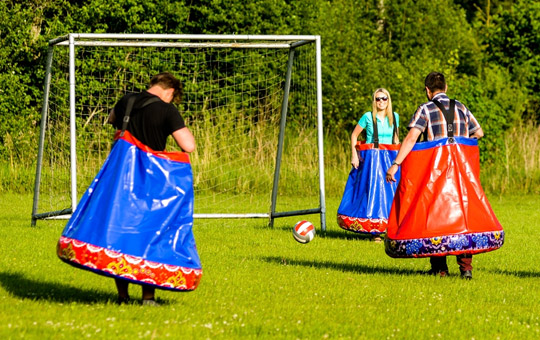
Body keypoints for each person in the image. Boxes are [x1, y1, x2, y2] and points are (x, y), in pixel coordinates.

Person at [57, 72, 202, 306]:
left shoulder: (129, 100)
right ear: (170, 91)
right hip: (151, 181)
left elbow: (111, 119)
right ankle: (148, 298)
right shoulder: (167, 110)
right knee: (150, 233)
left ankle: (122, 297)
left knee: (119, 233)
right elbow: (189, 145)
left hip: (119, 180)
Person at [385, 72, 504, 279]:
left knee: (434, 215)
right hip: (460, 171)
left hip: (435, 172)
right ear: (446, 87)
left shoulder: (425, 109)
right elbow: (479, 133)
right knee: (463, 214)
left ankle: (440, 268)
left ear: (427, 90)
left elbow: (412, 137)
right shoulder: (461, 107)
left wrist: (396, 164)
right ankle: (466, 268)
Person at [337, 88, 400, 242]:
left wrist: (399, 160)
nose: (381, 102)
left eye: (384, 98)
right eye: (378, 99)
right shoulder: (367, 117)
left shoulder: (395, 117)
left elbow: (396, 139)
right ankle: (375, 232)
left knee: (391, 192)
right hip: (372, 160)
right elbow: (354, 135)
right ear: (374, 101)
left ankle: (391, 228)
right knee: (373, 192)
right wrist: (354, 154)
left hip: (390, 158)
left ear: (388, 100)